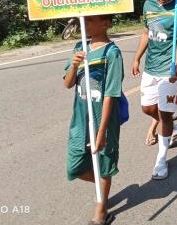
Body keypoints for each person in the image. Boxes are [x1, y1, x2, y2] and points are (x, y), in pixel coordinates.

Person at [63, 15, 123, 225]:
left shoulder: (112, 53)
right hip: (80, 119)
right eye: (83, 21)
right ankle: (102, 188)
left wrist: (102, 131)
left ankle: (101, 209)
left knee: (104, 163)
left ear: (106, 23)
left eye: (89, 20)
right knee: (74, 167)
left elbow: (111, 94)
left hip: (103, 118)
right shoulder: (80, 47)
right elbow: (68, 84)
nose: (84, 24)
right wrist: (74, 65)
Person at [131, 0, 177, 180]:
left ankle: (161, 159)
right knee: (147, 108)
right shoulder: (148, 5)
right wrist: (137, 57)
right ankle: (173, 128)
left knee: (165, 113)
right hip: (151, 67)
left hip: (169, 68)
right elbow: (146, 33)